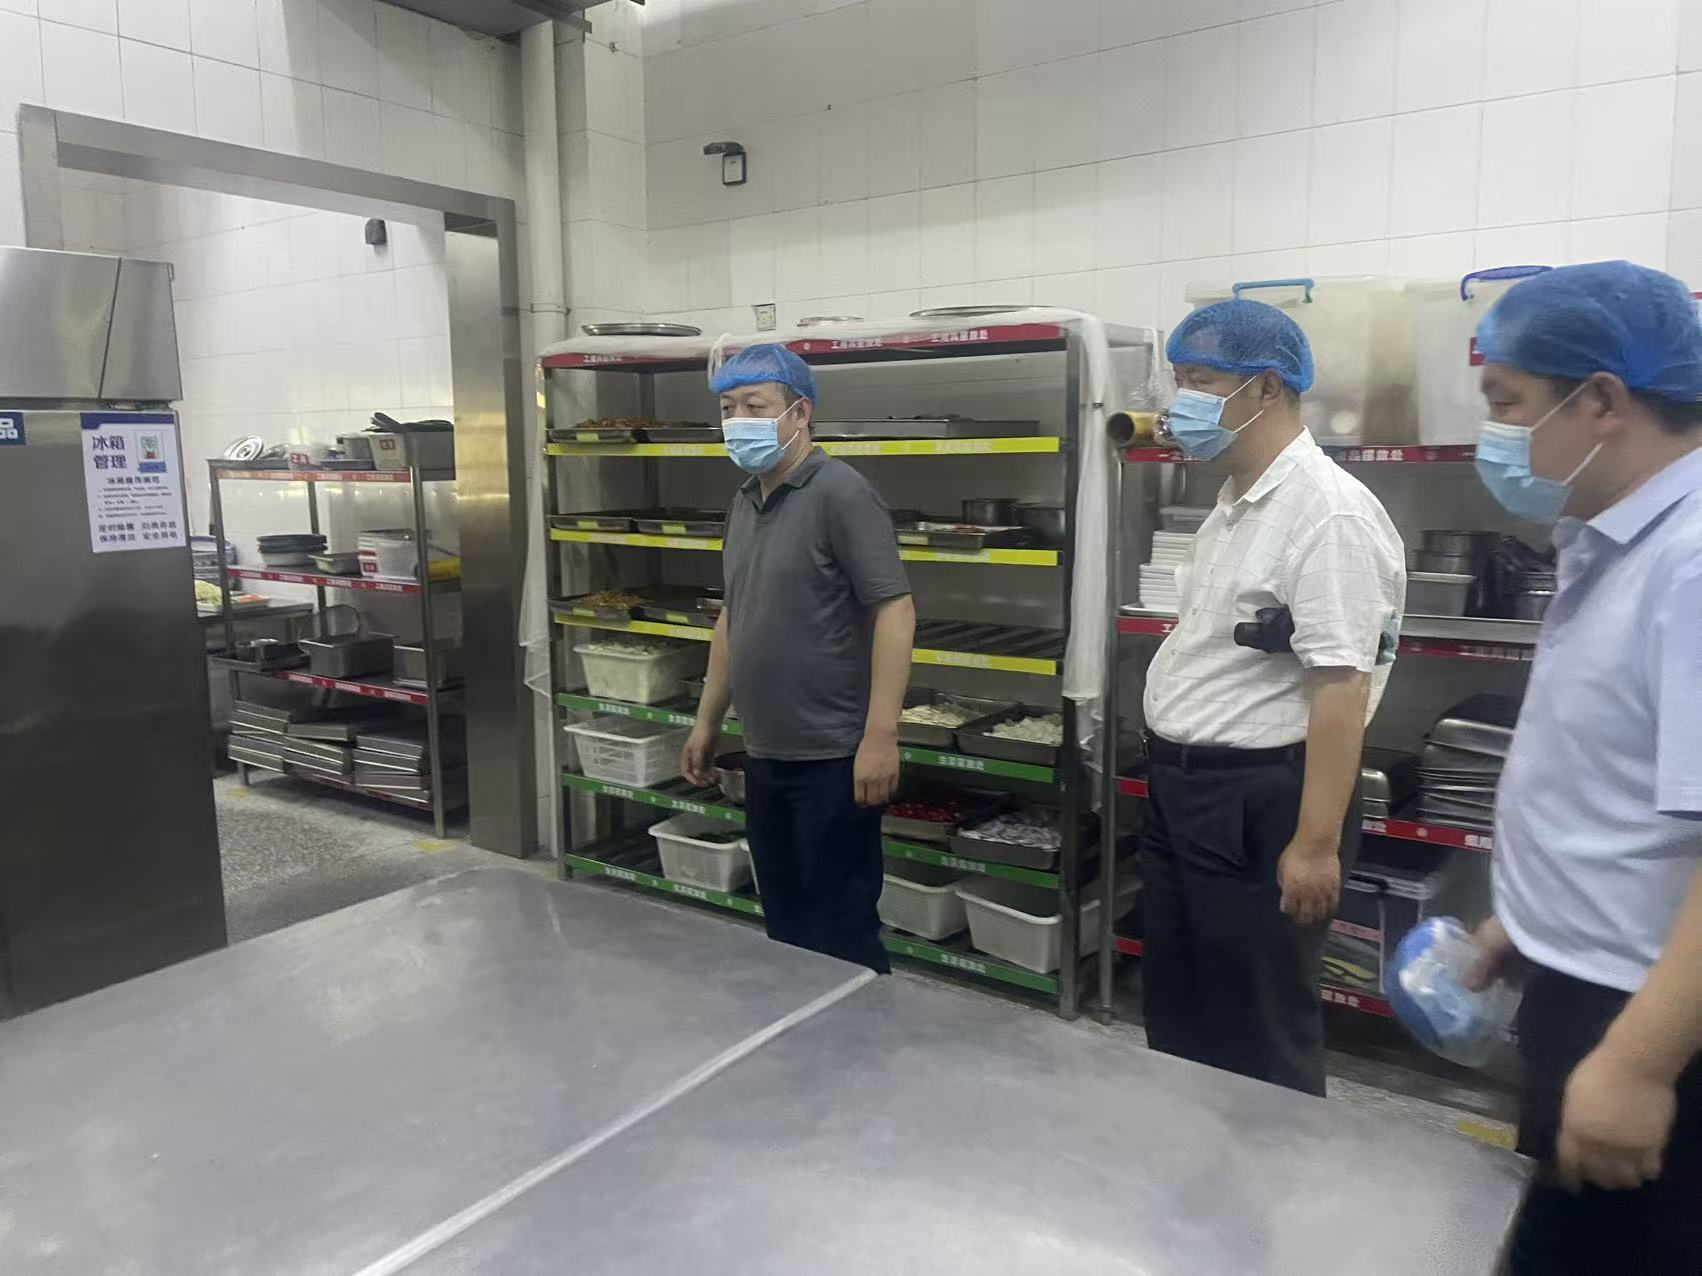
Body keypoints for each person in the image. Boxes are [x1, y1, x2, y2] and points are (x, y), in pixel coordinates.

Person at [1460, 261, 1702, 1275]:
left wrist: (1638, 1065)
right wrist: (1539, 922)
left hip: (1655, 1024)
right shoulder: (1616, 542)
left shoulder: (1691, 562)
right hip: (1594, 990)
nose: (1494, 434)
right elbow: (1628, 787)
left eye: (1505, 402)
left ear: (1601, 399)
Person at [1138, 299, 1406, 1096]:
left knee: (1255, 1028)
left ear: (1265, 388)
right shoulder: (1237, 503)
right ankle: (1187, 1162)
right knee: (1181, 1008)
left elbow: (1342, 684)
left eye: (1201, 380)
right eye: (1179, 380)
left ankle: (1268, 1176)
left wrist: (1315, 845)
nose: (1181, 400)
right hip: (1187, 791)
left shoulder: (1328, 512)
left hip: (1258, 802)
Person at [680, 344, 915, 973]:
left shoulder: (841, 492)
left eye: (755, 406)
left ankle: (859, 1030)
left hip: (833, 756)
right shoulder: (743, 501)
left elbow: (895, 610)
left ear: (800, 413)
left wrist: (881, 736)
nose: (738, 420)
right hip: (765, 752)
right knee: (784, 921)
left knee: (841, 927)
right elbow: (733, 617)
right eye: (728, 408)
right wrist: (707, 721)